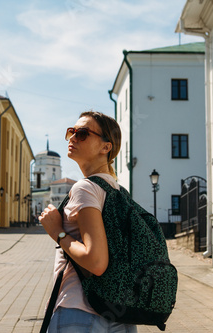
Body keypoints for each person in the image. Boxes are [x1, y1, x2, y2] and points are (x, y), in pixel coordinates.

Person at [39, 111, 137, 333]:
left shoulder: (85, 188)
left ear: (106, 147)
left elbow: (96, 262)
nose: (73, 138)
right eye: (71, 132)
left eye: (83, 133)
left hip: (79, 309)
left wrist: (58, 232)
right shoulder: (119, 191)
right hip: (119, 310)